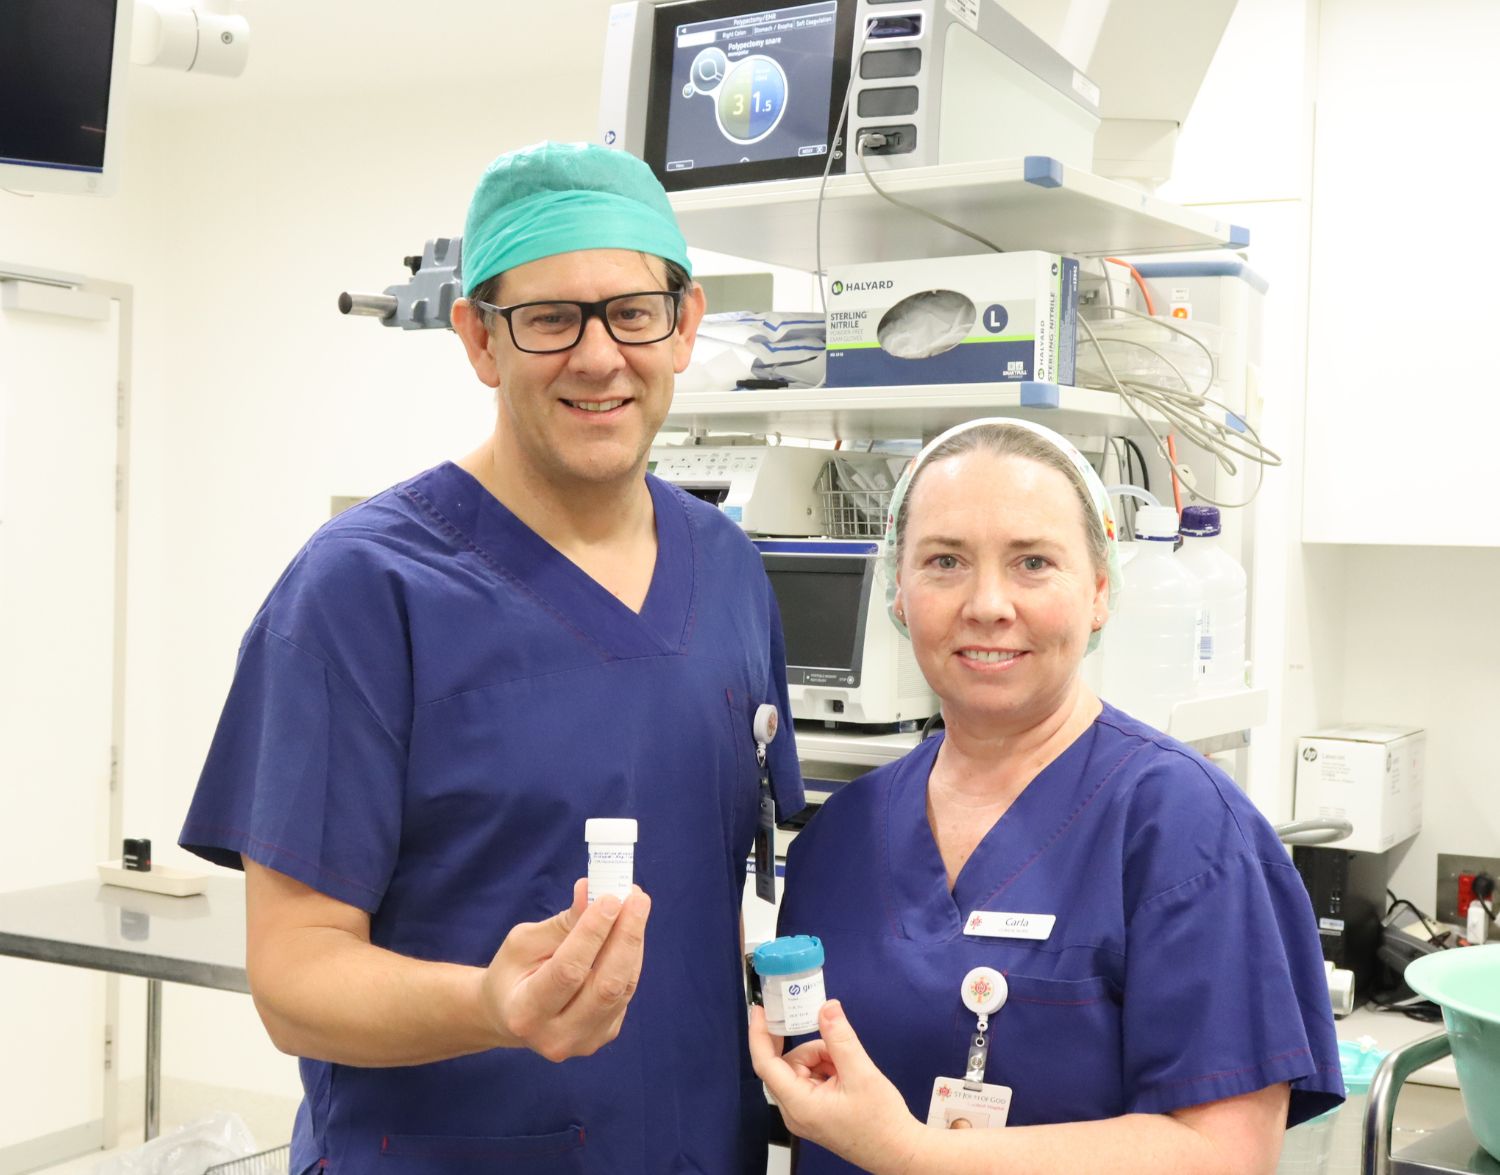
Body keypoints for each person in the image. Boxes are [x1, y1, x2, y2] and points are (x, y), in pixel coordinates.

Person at [180, 141, 803, 1174]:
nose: (599, 356)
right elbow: (293, 977)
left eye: (632, 312)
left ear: (685, 324)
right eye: (549, 318)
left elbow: (716, 892)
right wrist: (489, 1002)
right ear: (477, 337)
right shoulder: (362, 590)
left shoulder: (730, 570)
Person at [749, 418, 1342, 1174]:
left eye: (1032, 562)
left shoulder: (1185, 830)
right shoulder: (841, 839)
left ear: (1099, 590)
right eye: (945, 561)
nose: (988, 603)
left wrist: (910, 1152)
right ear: (898, 590)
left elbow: (1223, 1154)